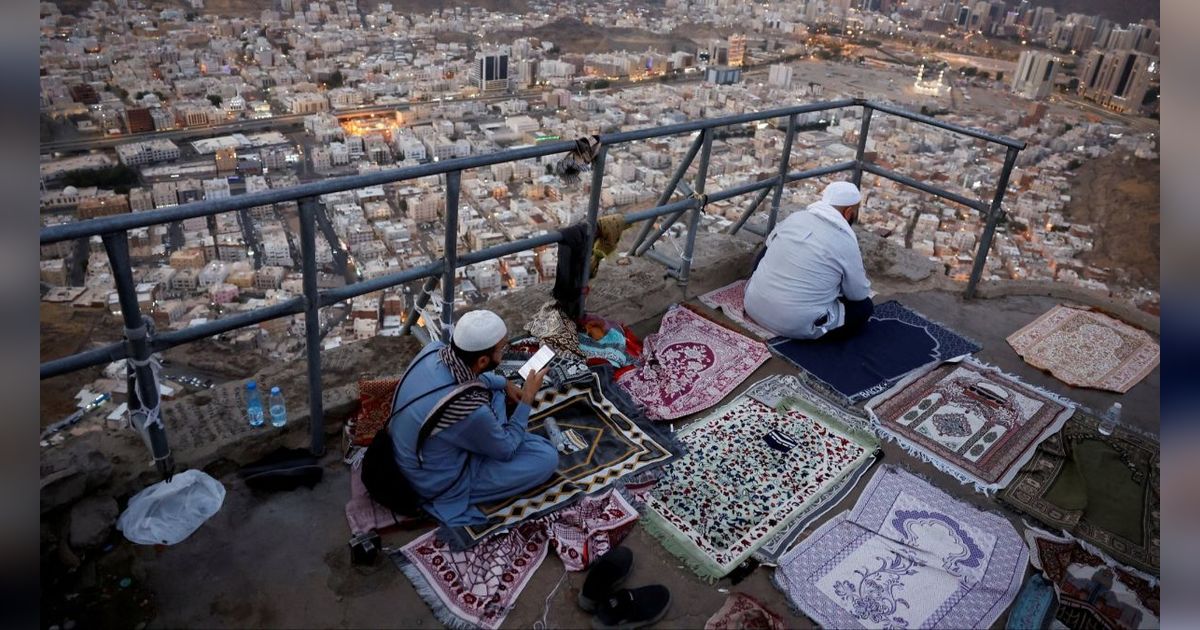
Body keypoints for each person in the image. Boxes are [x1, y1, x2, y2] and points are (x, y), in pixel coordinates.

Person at [388, 309, 558, 527]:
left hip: (411, 449)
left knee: (495, 390)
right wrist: (527, 399)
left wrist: (504, 383)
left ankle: (492, 431)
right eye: (501, 350)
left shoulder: (433, 350)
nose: (504, 354)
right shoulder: (470, 409)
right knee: (545, 457)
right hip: (432, 480)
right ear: (483, 360)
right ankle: (492, 438)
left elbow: (469, 379)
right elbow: (506, 451)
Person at [743, 181, 874, 340]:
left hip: (752, 304)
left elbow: (766, 250)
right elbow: (857, 294)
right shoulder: (845, 241)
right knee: (864, 307)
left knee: (770, 247)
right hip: (796, 325)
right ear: (848, 213)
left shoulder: (795, 218)